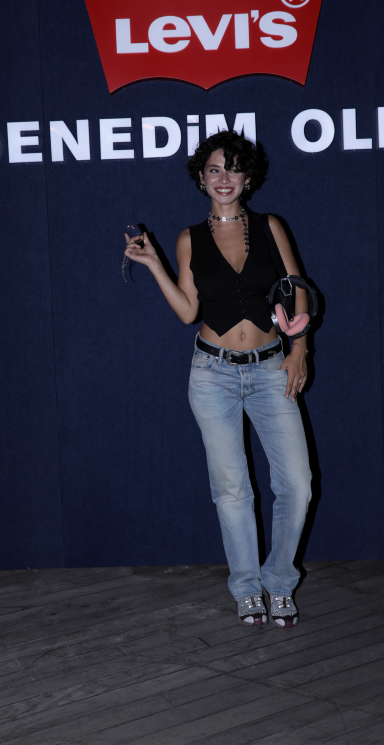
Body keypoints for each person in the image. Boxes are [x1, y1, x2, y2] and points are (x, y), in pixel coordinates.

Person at [124, 131, 312, 629]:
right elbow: (189, 311)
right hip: (213, 375)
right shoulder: (189, 238)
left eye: (233, 168)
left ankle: (280, 582)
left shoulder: (270, 226)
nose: (223, 178)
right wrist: (155, 265)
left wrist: (299, 349)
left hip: (271, 370)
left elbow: (297, 289)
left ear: (248, 177)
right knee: (232, 490)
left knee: (297, 485)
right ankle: (247, 588)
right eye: (214, 170)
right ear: (201, 178)